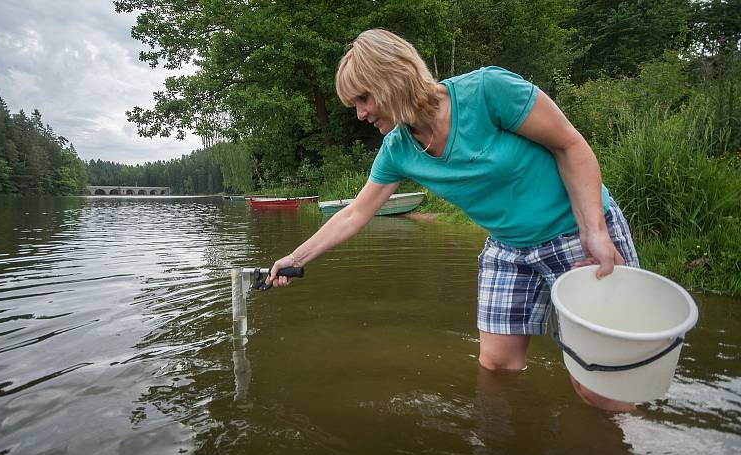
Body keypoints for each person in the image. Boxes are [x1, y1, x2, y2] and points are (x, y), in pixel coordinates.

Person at [266, 29, 640, 411]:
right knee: (497, 366)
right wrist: (295, 259)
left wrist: (593, 230)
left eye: (363, 99)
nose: (360, 114)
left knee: (599, 383)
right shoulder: (397, 149)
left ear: (392, 78)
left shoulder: (488, 91)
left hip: (575, 231)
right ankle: (515, 452)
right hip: (508, 247)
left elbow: (570, 145)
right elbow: (354, 213)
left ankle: (628, 449)